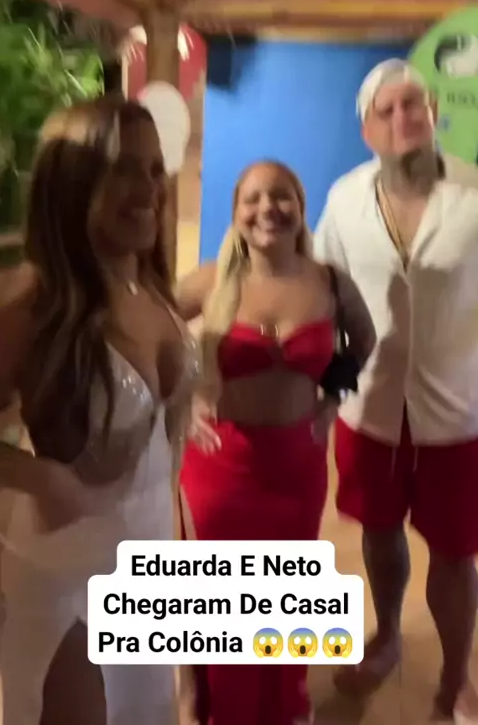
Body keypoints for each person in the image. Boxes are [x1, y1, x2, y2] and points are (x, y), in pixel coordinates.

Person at [0, 96, 199, 725]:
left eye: (155, 169)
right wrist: (42, 477)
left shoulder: (151, 285)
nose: (149, 189)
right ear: (73, 179)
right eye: (123, 169)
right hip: (67, 580)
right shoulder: (32, 304)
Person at [175, 159, 376, 725]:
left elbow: (363, 341)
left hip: (296, 465)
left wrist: (332, 400)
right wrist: (182, 400)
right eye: (254, 198)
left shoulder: (329, 282)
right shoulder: (210, 281)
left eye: (282, 195)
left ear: (301, 208)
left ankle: (283, 705)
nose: (269, 208)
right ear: (236, 212)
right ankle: (211, 706)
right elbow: (148, 334)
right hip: (220, 467)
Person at [314, 58, 478, 725]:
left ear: (434, 113)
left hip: (459, 410)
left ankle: (456, 677)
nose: (402, 116)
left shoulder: (474, 193)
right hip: (371, 408)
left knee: (457, 552)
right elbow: (322, 294)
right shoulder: (344, 199)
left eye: (414, 104)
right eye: (386, 110)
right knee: (380, 533)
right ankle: (386, 635)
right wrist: (320, 387)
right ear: (368, 131)